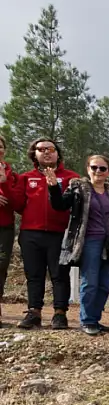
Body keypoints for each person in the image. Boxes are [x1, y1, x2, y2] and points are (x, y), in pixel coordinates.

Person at [47, 155, 109, 336]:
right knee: (90, 282)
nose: (98, 172)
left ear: (108, 171)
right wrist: (53, 187)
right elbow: (59, 205)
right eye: (94, 168)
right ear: (88, 169)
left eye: (102, 168)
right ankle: (87, 320)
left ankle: (95, 319)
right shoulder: (78, 188)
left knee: (103, 285)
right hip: (89, 241)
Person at [9, 138, 80, 329]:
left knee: (59, 275)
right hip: (31, 233)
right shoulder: (26, 178)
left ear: (58, 153)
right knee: (34, 274)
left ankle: (60, 313)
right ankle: (34, 312)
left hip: (59, 234)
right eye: (41, 149)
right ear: (35, 154)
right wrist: (5, 183)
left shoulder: (71, 177)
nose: (46, 152)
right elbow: (17, 205)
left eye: (51, 149)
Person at [0, 136, 18, 325]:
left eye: (1, 146)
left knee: (1, 266)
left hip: (4, 226)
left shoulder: (11, 173)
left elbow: (16, 202)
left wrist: (4, 182)